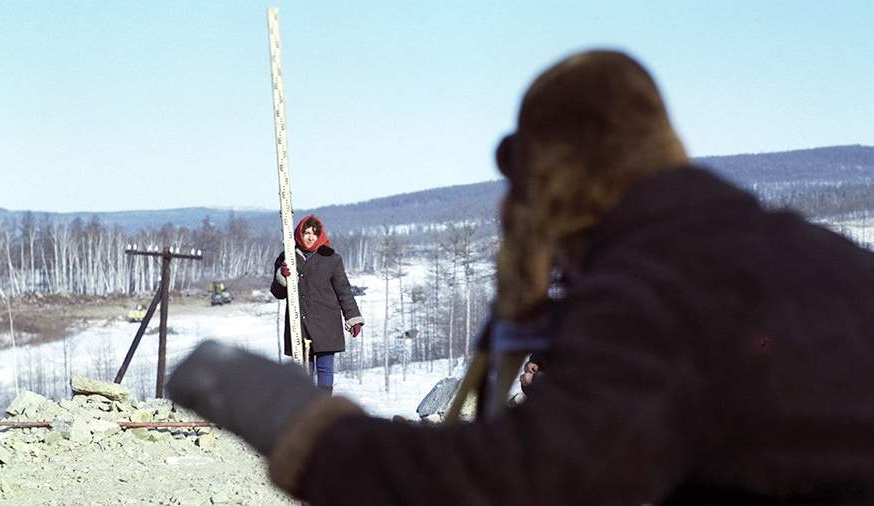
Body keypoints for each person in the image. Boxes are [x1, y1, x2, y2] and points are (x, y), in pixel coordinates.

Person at [168, 50, 873, 505]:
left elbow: (512, 485)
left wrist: (303, 428)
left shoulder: (656, 292)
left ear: (556, 185)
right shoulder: (825, 258)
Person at [269, 214, 364, 395]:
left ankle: (324, 408)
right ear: (299, 234)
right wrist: (282, 277)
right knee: (305, 371)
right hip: (299, 324)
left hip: (326, 323)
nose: (310, 237)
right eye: (306, 233)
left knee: (325, 369)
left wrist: (353, 318)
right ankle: (306, 410)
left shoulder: (331, 258)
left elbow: (343, 289)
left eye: (314, 233)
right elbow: (278, 293)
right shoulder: (287, 256)